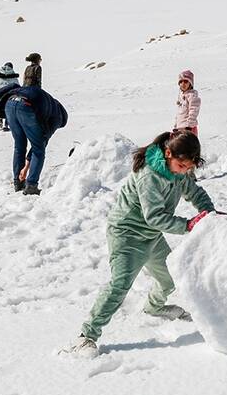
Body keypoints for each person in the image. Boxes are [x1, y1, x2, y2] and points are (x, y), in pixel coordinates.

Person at [63, 130, 216, 356]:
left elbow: (195, 192)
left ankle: (154, 307)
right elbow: (153, 217)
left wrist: (209, 213)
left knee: (169, 278)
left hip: (151, 236)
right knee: (120, 284)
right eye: (182, 166)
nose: (185, 172)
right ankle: (86, 336)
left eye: (188, 168)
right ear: (168, 153)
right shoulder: (150, 176)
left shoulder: (178, 172)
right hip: (127, 235)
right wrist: (189, 225)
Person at [0, 84, 67, 194]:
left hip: (10, 103)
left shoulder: (31, 91)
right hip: (26, 106)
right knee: (39, 149)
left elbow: (12, 86)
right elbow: (41, 143)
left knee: (19, 145)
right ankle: (31, 186)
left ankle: (18, 182)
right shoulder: (58, 117)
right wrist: (26, 168)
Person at [0, 62, 19, 131]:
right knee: (8, 110)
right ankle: (6, 125)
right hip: (8, 97)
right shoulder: (14, 77)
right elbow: (17, 87)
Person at [174, 70, 201, 135]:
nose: (183, 84)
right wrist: (175, 126)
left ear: (190, 84)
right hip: (180, 129)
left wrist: (189, 125)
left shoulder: (192, 96)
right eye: (181, 82)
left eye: (186, 81)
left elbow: (194, 110)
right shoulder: (181, 97)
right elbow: (179, 114)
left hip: (188, 128)